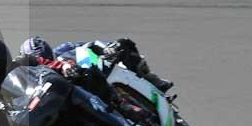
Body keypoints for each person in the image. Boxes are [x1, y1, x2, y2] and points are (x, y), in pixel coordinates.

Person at [20, 36, 173, 92]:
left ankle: (153, 80)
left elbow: (90, 44)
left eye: (43, 55)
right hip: (85, 88)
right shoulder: (40, 78)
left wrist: (107, 47)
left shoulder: (63, 49)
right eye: (38, 58)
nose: (43, 59)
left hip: (98, 68)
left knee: (123, 43)